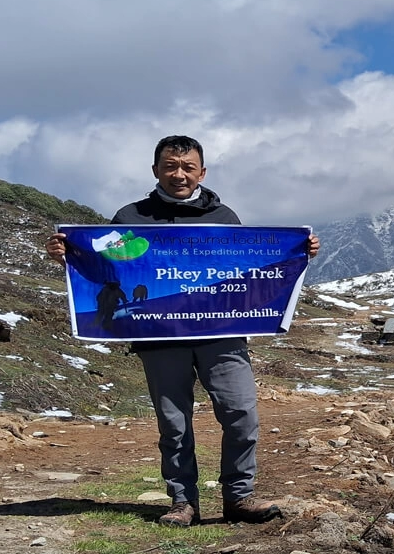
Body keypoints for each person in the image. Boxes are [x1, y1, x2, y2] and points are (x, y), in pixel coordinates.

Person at [45, 135, 320, 527]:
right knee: (174, 424)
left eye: (188, 167)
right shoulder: (129, 218)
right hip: (159, 339)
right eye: (170, 166)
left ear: (202, 172)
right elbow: (103, 268)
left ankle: (239, 498)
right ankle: (182, 502)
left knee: (242, 415)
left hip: (222, 336)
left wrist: (298, 253)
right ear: (156, 170)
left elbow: (251, 272)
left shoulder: (225, 217)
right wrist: (66, 256)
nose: (179, 174)